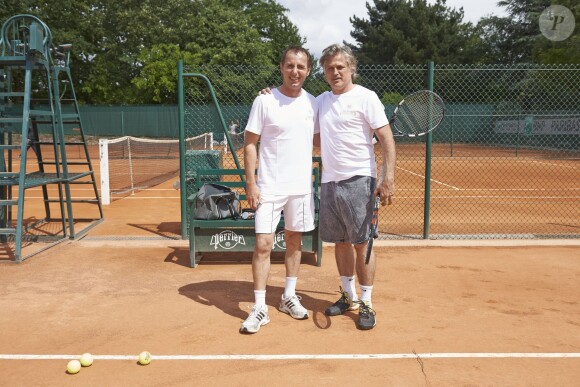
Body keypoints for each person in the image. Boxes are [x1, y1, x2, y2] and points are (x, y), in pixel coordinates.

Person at [315, 44, 396, 330]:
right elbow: (316, 140)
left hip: (360, 180)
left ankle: (367, 303)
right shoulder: (320, 101)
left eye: (340, 67)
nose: (335, 72)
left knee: (362, 243)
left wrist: (387, 177)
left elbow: (386, 138)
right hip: (329, 182)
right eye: (330, 68)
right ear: (324, 72)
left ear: (351, 69)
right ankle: (347, 296)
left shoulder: (366, 97)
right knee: (340, 242)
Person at [240, 46, 318, 334]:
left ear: (308, 70)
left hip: (300, 188)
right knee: (263, 244)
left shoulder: (314, 103)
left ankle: (288, 296)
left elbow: (324, 138)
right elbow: (250, 143)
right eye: (290, 66)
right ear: (281, 67)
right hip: (269, 187)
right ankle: (259, 306)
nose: (295, 71)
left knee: (295, 242)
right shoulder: (264, 101)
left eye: (301, 67)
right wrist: (251, 183)